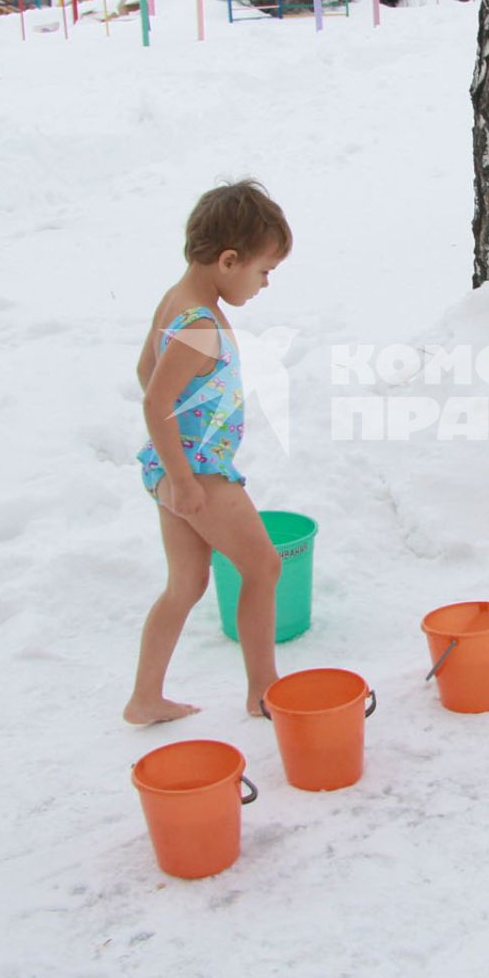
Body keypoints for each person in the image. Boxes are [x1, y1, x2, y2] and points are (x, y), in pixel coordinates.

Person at [128, 181, 291, 725]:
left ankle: (145, 698)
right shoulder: (200, 325)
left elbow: (145, 371)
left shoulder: (178, 302)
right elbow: (156, 403)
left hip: (175, 469)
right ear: (229, 260)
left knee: (187, 584)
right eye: (264, 271)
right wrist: (185, 479)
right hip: (198, 473)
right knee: (264, 567)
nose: (266, 283)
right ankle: (264, 690)